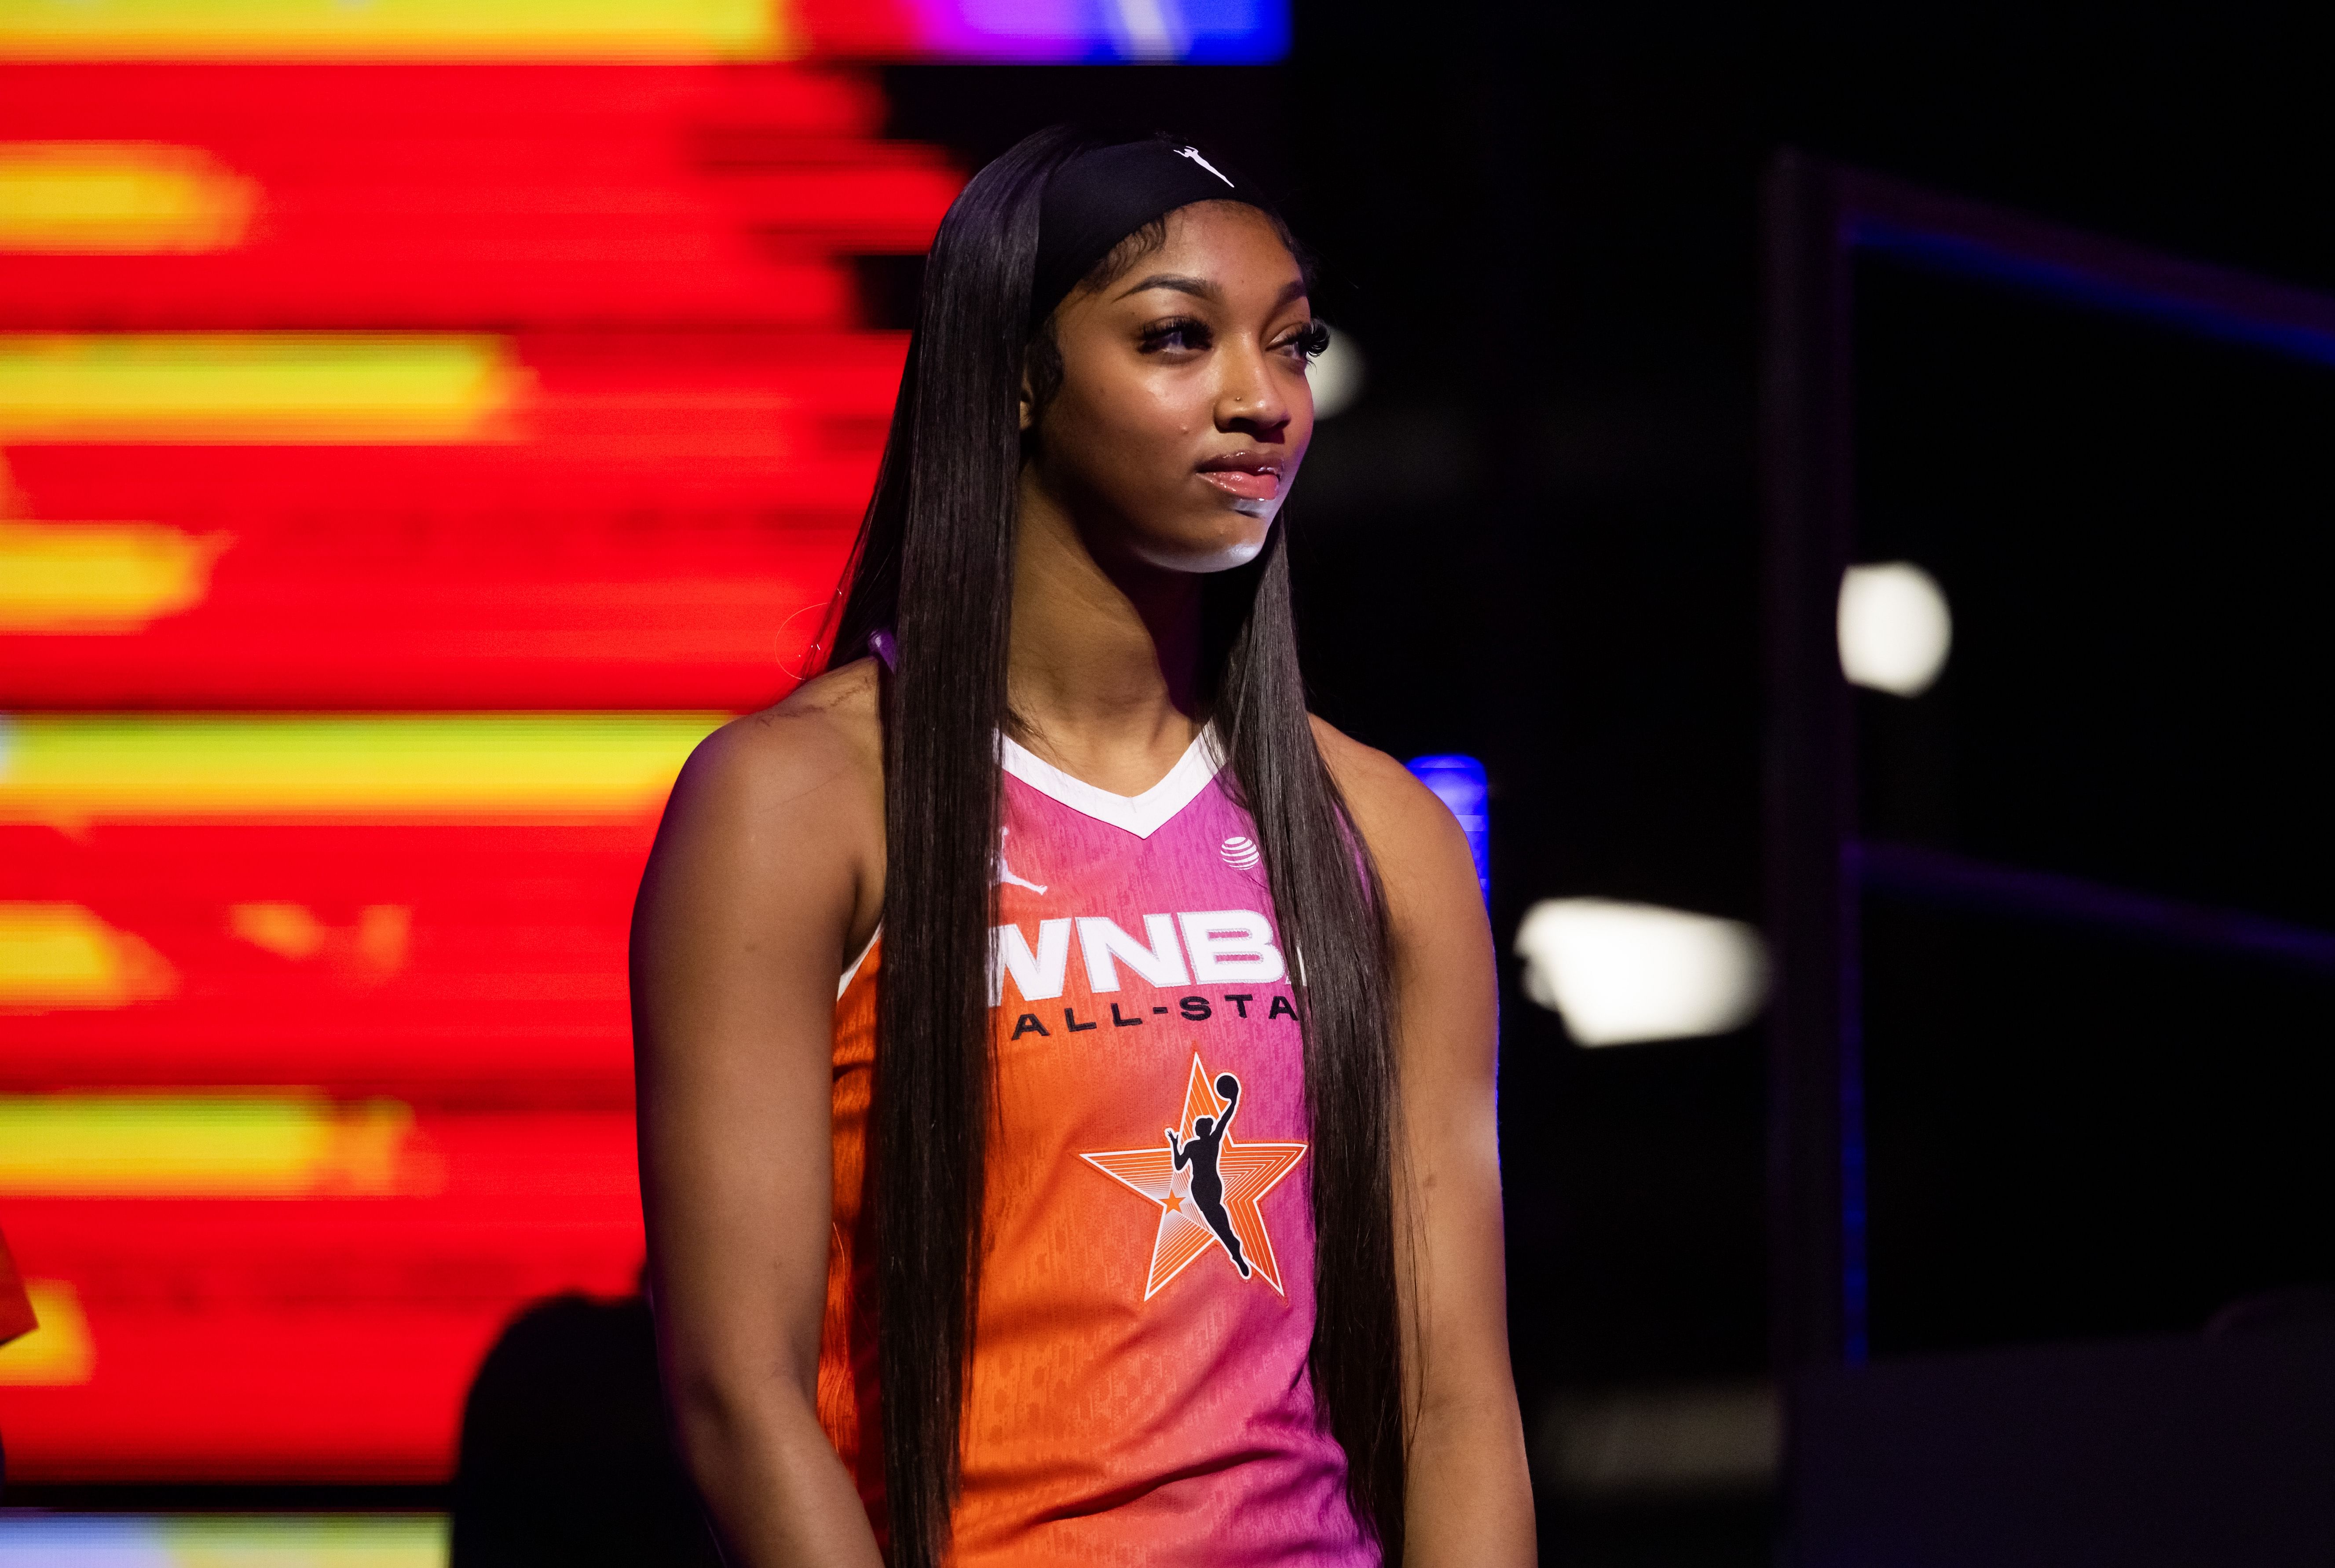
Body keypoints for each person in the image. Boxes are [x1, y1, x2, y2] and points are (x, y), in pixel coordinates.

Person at [632, 128, 1532, 1568]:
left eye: (1292, 346)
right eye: (1178, 338)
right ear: (1014, 380)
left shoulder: (1382, 832)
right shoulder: (796, 801)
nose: (1260, 400)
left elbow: (1456, 1401)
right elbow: (737, 1395)